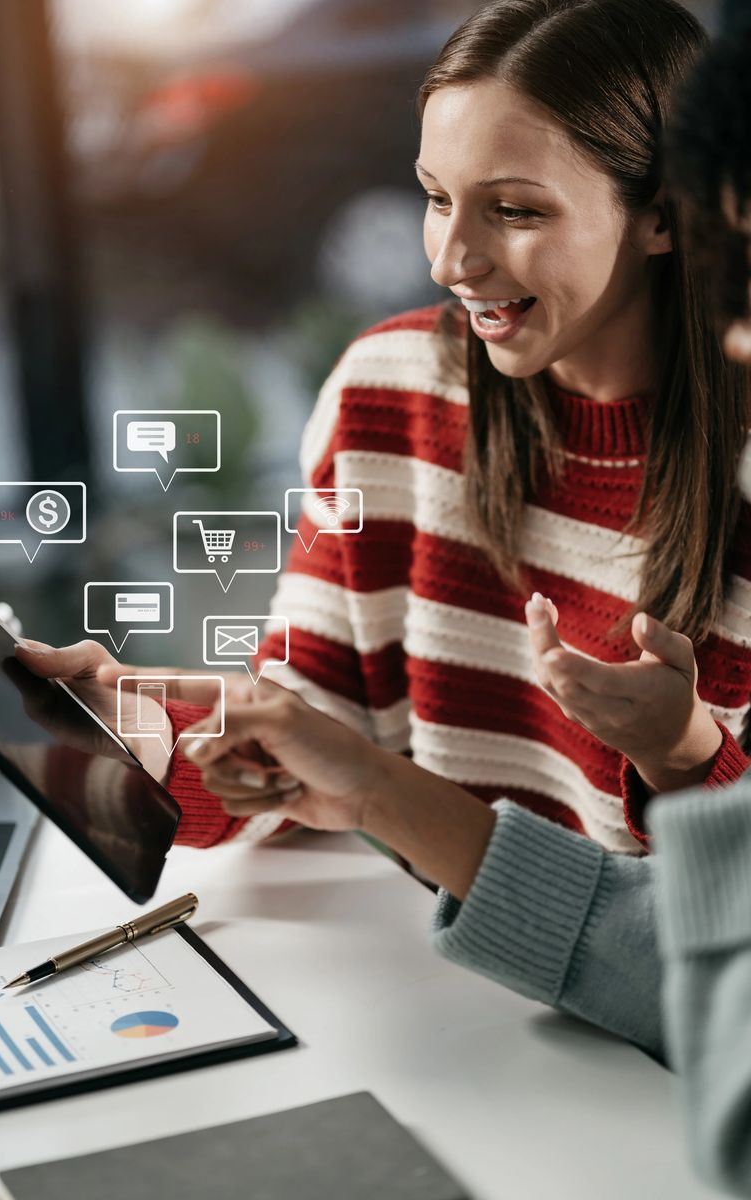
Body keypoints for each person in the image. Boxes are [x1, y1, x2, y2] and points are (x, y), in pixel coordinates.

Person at [67, 0, 751, 858]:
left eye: (515, 211)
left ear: (662, 213)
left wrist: (684, 759)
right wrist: (125, 726)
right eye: (436, 198)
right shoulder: (388, 389)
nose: (448, 260)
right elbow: (312, 718)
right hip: (415, 952)